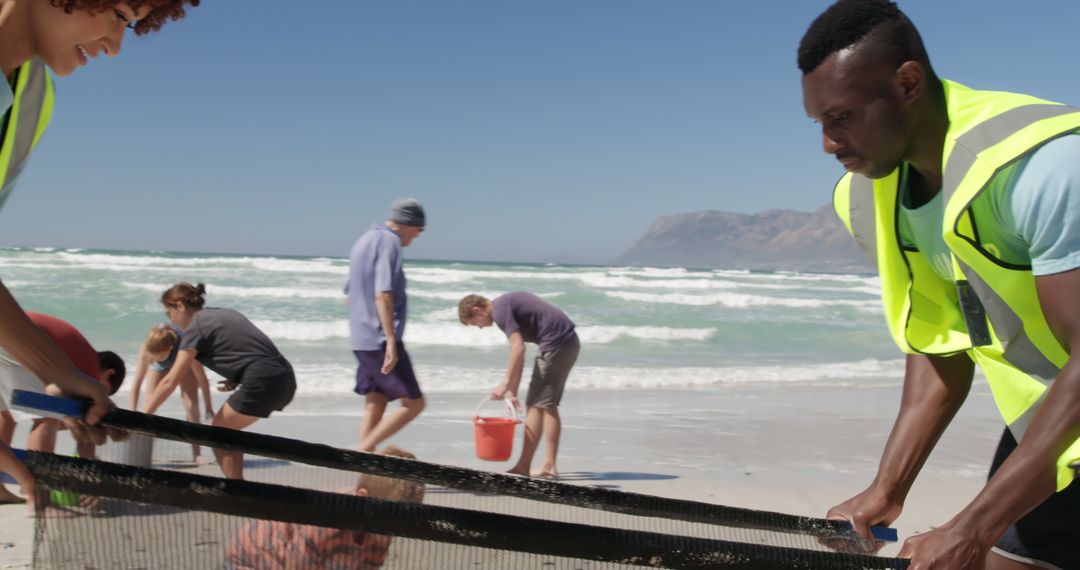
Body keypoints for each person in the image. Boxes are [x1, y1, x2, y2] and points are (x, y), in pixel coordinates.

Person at [798, 1, 1080, 568]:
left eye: (843, 117)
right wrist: (887, 488)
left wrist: (973, 526)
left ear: (908, 83)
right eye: (820, 123)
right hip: (1056, 419)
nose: (829, 143)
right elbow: (941, 348)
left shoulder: (1043, 166)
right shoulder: (868, 196)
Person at [142, 283, 296, 480]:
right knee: (229, 433)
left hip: (262, 380)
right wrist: (237, 376)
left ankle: (239, 495)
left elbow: (170, 380)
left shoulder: (194, 327)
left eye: (168, 313)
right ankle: (240, 491)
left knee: (217, 432)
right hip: (286, 380)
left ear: (179, 306)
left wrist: (143, 417)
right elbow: (249, 348)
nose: (170, 320)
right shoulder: (225, 313)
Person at [223, 445, 425, 570]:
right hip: (252, 558)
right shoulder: (327, 521)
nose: (393, 526)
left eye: (402, 518)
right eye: (388, 516)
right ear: (361, 499)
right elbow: (295, 565)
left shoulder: (384, 532)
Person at [0, 312, 124, 514]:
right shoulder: (90, 368)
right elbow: (87, 429)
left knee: (5, 415)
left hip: (5, 335)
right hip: (20, 344)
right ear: (108, 373)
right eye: (106, 390)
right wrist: (88, 478)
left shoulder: (78, 354)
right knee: (46, 418)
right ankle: (38, 502)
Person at [458, 293, 579, 478]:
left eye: (476, 323)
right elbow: (519, 350)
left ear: (477, 310)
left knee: (538, 406)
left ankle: (527, 467)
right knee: (546, 405)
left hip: (556, 345)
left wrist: (505, 383)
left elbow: (518, 348)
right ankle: (548, 465)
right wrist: (512, 391)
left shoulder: (499, 311)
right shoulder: (503, 305)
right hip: (567, 343)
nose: (480, 328)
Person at [345, 199, 427, 453]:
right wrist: (390, 339)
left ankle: (364, 479)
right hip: (379, 339)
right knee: (414, 404)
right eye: (419, 230)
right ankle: (361, 454)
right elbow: (383, 293)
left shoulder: (365, 239)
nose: (417, 236)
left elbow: (350, 294)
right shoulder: (390, 241)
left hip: (362, 338)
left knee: (376, 402)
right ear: (408, 223)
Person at [130, 323, 214, 463]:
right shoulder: (149, 348)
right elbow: (136, 384)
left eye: (158, 357)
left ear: (169, 348)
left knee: (191, 406)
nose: (154, 359)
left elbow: (202, 378)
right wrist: (132, 414)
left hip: (182, 362)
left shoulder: (186, 346)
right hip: (161, 365)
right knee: (149, 403)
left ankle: (197, 454)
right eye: (153, 357)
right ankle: (140, 449)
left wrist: (209, 407)